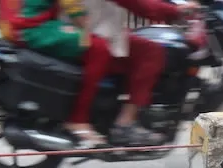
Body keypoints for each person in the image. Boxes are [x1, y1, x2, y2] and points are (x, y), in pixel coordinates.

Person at [82, 0, 199, 146]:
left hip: (87, 24)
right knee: (151, 51)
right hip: (90, 29)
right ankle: (125, 124)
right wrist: (177, 10)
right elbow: (140, 5)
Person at [0, 0, 113, 147]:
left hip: (23, 25)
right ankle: (78, 120)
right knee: (99, 47)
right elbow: (71, 4)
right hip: (31, 28)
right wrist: (85, 24)